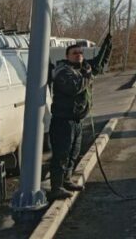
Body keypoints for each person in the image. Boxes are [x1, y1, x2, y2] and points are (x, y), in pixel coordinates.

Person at [48, 37, 112, 200]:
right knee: (61, 155)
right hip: (63, 120)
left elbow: (98, 63)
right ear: (67, 55)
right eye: (74, 53)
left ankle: (67, 181)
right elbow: (75, 87)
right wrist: (88, 74)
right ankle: (56, 188)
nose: (78, 55)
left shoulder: (83, 68)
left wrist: (107, 46)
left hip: (77, 120)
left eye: (80, 53)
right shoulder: (63, 71)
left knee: (73, 153)